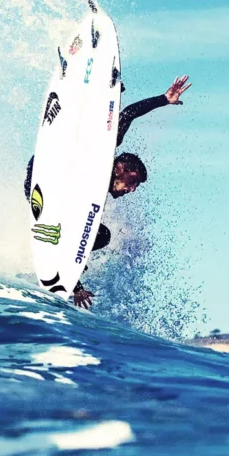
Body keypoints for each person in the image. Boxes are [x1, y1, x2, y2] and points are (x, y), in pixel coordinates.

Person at [25, 75, 192, 309]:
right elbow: (129, 114)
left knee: (100, 234)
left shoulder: (93, 194)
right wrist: (164, 99)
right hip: (44, 171)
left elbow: (75, 239)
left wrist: (76, 285)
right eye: (132, 181)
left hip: (45, 188)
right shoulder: (103, 153)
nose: (132, 189)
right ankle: (91, 89)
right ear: (120, 168)